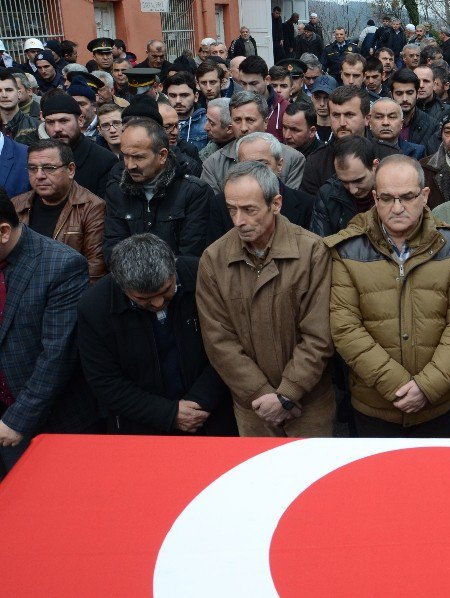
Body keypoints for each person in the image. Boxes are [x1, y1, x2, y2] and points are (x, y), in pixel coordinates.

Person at [327, 154, 450, 436]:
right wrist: (397, 385)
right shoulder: (347, 249)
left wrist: (426, 386)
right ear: (375, 197)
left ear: (424, 195)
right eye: (387, 198)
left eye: (407, 197)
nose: (397, 207)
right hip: (375, 407)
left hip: (437, 405)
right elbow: (345, 328)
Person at [198, 161, 335, 437]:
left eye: (249, 210)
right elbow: (219, 341)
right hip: (254, 407)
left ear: (276, 203)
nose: (238, 221)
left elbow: (319, 334)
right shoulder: (214, 259)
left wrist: (287, 394)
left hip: (308, 405)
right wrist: (263, 395)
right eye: (231, 210)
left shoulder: (312, 252)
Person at [77, 234, 235, 435]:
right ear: (122, 287)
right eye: (144, 299)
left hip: (211, 416)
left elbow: (229, 344)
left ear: (173, 267)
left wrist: (198, 403)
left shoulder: (202, 275)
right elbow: (105, 381)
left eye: (167, 290)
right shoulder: (94, 308)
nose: (158, 303)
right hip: (141, 426)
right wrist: (168, 414)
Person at [0, 187, 99, 477]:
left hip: (52, 424)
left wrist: (19, 419)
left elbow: (56, 356)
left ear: (4, 232)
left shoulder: (61, 265)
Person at [104, 118, 212, 258]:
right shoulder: (117, 190)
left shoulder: (195, 192)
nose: (130, 165)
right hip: (127, 278)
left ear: (162, 155)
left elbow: (191, 257)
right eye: (125, 156)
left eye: (138, 157)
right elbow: (112, 251)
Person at [12, 139, 105, 282]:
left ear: (70, 170)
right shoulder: (17, 205)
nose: (39, 176)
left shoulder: (92, 207)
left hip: (67, 294)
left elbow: (95, 271)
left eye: (49, 168)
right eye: (32, 168)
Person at [207, 132, 313, 242]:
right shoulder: (221, 203)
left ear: (279, 165)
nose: (255, 172)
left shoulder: (306, 204)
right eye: (247, 165)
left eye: (262, 164)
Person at [200, 91, 305, 193]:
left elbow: (292, 203)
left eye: (250, 120)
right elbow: (216, 208)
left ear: (266, 122)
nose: (243, 128)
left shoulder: (293, 159)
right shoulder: (213, 164)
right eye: (237, 120)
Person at [40, 93, 116, 199]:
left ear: (80, 120)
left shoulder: (104, 161)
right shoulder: (38, 159)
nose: (57, 128)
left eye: (64, 121)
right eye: (50, 122)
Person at [299, 86, 371, 196]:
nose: (342, 123)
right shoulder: (316, 162)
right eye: (336, 115)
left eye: (349, 115)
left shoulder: (385, 155)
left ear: (367, 118)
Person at [310, 136, 378, 237]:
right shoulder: (328, 195)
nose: (352, 190)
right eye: (344, 182)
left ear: (375, 166)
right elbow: (319, 245)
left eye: (358, 180)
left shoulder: (395, 191)